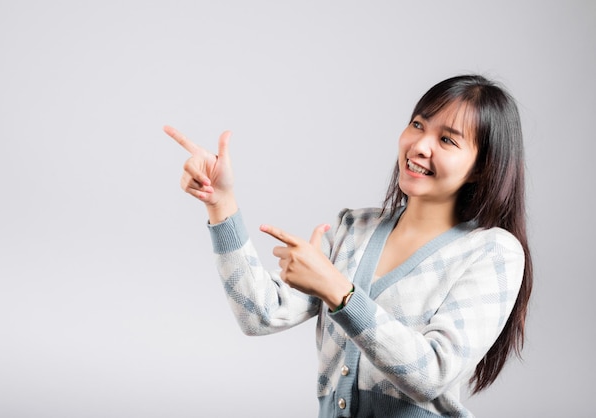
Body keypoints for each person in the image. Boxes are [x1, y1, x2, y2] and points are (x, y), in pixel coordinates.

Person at [164, 74, 533, 418]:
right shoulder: (352, 229)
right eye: (418, 124)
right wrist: (220, 202)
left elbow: (432, 372)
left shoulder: (493, 252)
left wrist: (338, 291)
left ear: (483, 166)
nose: (420, 146)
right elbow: (259, 314)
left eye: (447, 140)